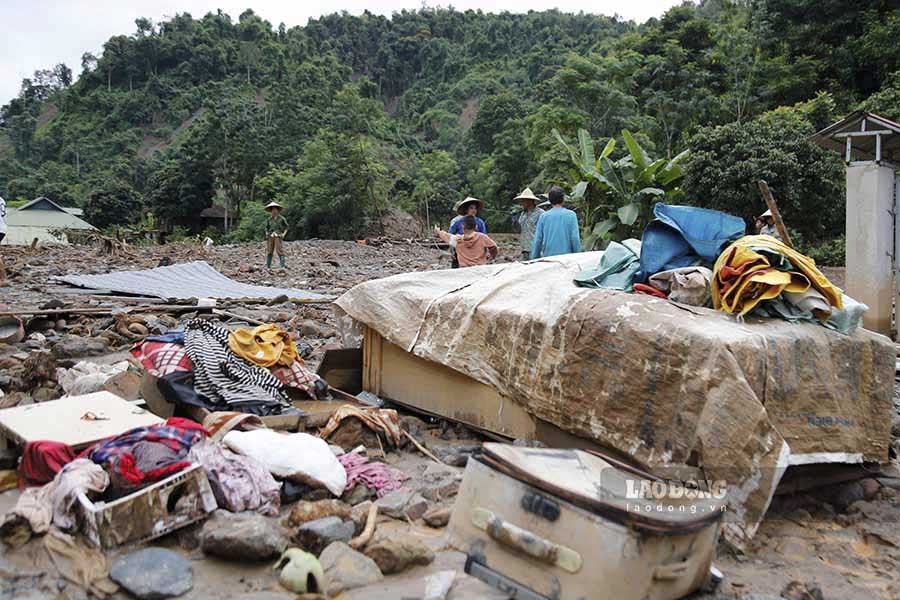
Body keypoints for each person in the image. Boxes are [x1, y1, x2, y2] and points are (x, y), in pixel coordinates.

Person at [530, 185, 582, 259]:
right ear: (563, 199)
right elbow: (575, 238)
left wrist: (534, 258)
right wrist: (578, 256)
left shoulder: (544, 216)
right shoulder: (571, 215)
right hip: (568, 258)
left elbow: (538, 240)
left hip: (549, 258)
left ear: (550, 200)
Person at [434, 215, 498, 267]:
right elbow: (494, 246)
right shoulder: (482, 237)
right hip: (480, 269)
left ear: (463, 227)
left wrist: (438, 231)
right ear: (476, 226)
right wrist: (492, 256)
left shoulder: (457, 240)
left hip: (464, 271)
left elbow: (445, 235)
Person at [448, 197, 486, 268]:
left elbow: (484, 238)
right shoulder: (458, 223)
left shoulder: (480, 222)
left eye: (475, 208)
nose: (473, 210)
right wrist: (452, 251)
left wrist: (485, 252)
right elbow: (450, 236)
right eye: (471, 208)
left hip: (476, 252)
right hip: (460, 252)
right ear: (466, 210)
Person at [512, 187, 544, 261]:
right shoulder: (523, 214)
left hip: (536, 249)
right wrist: (514, 222)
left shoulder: (541, 213)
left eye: (523, 201)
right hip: (524, 249)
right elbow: (519, 230)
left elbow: (545, 231)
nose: (522, 203)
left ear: (530, 201)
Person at [264, 201, 289, 268]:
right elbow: (266, 228)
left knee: (279, 250)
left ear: (278, 210)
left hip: (278, 235)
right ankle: (268, 266)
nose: (274, 211)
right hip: (270, 236)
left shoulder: (282, 219)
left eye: (275, 209)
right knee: (269, 251)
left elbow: (287, 227)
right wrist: (266, 233)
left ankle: (282, 266)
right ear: (271, 211)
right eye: (272, 210)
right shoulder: (269, 220)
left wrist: (284, 234)